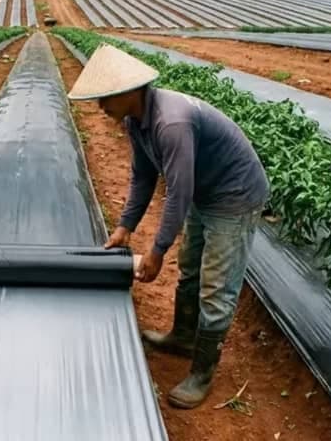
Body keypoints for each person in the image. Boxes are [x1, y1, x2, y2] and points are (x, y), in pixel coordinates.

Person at [67, 43, 270, 410]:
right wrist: (125, 227)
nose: (100, 108)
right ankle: (182, 337)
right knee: (190, 269)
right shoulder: (135, 121)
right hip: (206, 193)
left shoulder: (170, 123)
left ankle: (202, 373)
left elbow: (178, 192)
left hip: (235, 195)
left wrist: (158, 251)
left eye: (104, 99)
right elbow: (143, 176)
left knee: (216, 288)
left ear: (129, 93)